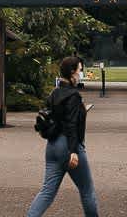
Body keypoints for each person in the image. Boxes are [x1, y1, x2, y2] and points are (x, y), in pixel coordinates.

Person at [27, 55, 100, 217]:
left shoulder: (54, 93)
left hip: (52, 146)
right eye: (80, 70)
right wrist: (74, 151)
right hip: (68, 145)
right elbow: (71, 124)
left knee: (47, 192)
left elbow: (55, 116)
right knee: (87, 191)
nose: (80, 73)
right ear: (73, 72)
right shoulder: (73, 96)